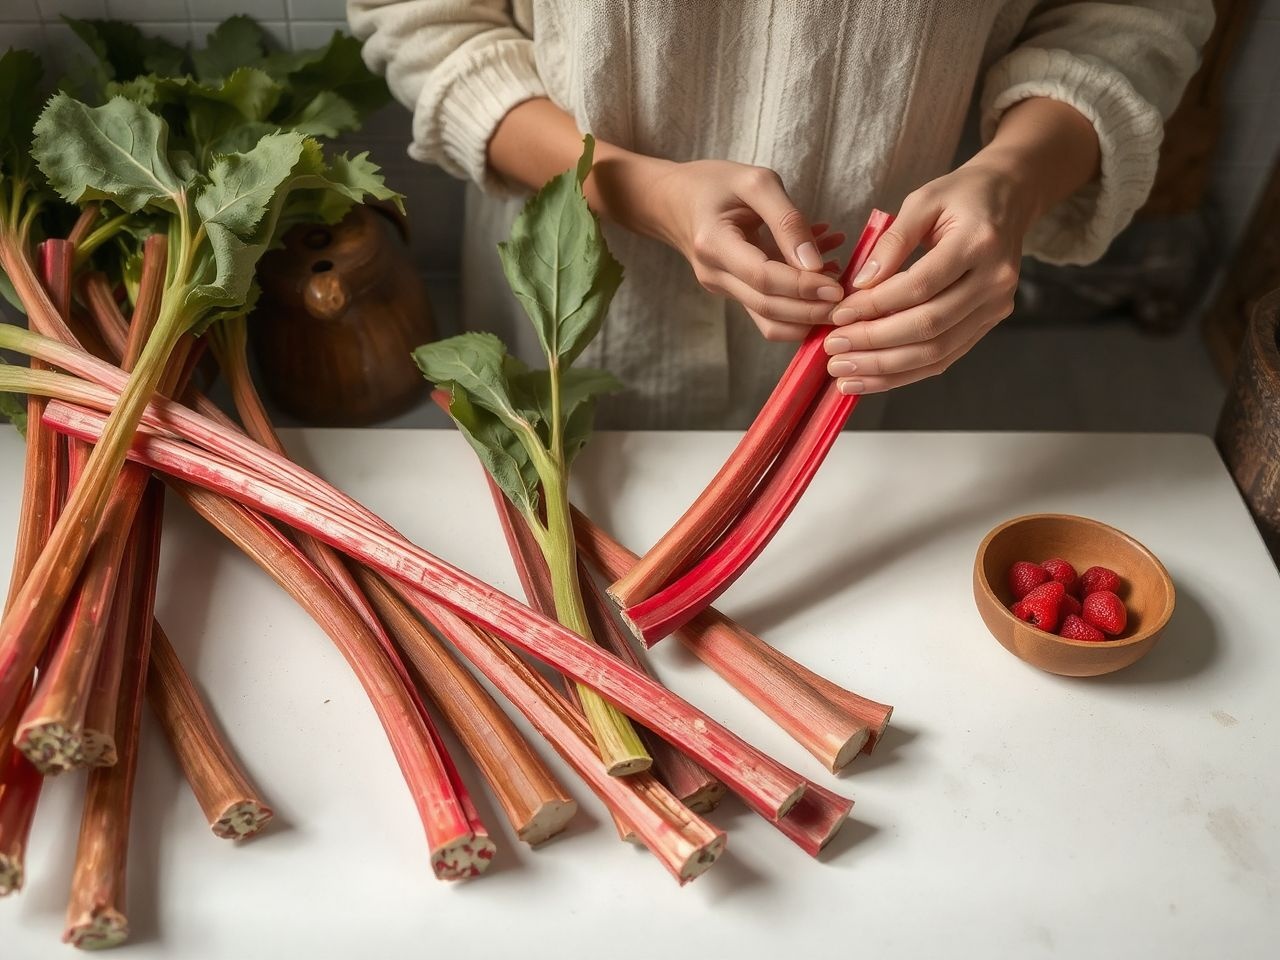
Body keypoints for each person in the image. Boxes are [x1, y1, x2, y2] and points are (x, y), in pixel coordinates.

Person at [349, 2, 1213, 429]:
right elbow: (426, 19)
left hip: (856, 357)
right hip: (565, 323)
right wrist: (640, 192)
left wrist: (1014, 181)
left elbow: (1131, 19)